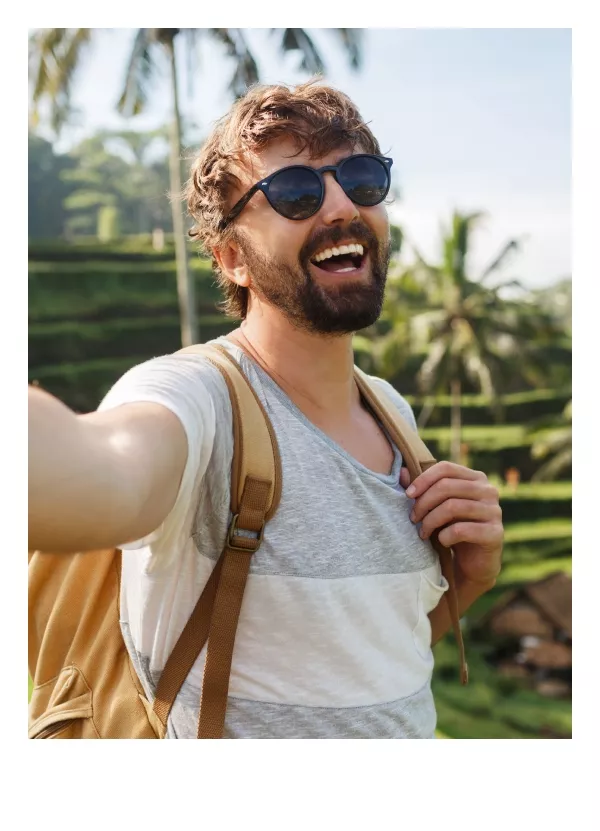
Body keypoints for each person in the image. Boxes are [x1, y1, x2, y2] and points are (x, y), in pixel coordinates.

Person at [29, 80, 503, 739]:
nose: (341, 204)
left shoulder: (391, 411)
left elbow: (363, 658)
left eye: (361, 179)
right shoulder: (198, 400)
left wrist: (471, 577)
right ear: (231, 258)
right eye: (297, 192)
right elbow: (105, 470)